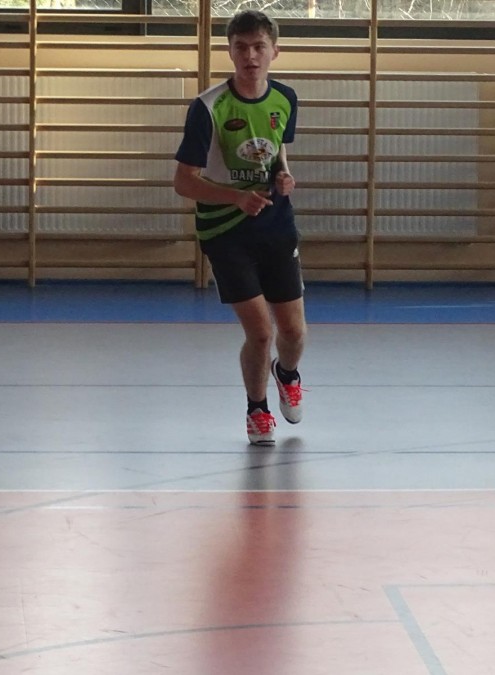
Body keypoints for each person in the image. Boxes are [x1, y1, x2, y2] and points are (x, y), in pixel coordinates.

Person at [173, 9, 304, 446]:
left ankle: (288, 374)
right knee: (261, 332)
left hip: (276, 224)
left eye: (259, 47)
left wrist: (284, 175)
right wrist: (235, 197)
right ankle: (257, 409)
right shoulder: (207, 108)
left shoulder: (285, 98)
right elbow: (183, 181)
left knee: (293, 332)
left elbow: (277, 152)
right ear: (229, 51)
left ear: (274, 52)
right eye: (241, 47)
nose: (250, 56)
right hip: (226, 231)